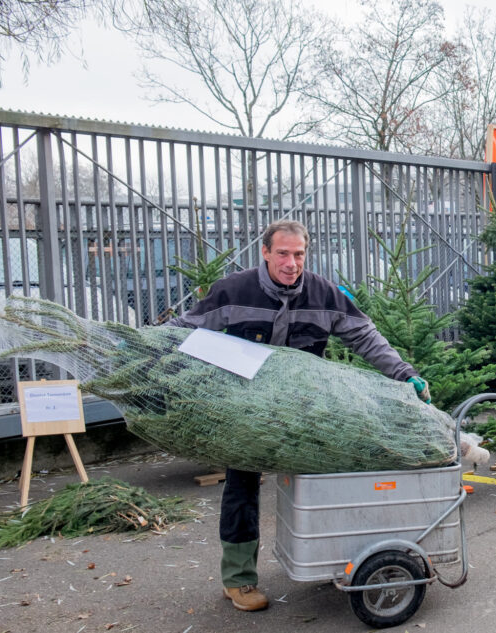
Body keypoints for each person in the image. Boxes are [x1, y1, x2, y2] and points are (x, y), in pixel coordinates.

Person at [167, 219, 430, 612]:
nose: (292, 263)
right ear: (266, 252)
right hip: (247, 411)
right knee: (242, 485)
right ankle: (238, 579)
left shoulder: (324, 294)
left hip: (308, 413)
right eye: (284, 254)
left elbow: (365, 336)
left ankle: (332, 558)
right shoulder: (233, 291)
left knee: (326, 481)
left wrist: (405, 374)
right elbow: (182, 331)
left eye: (299, 254)